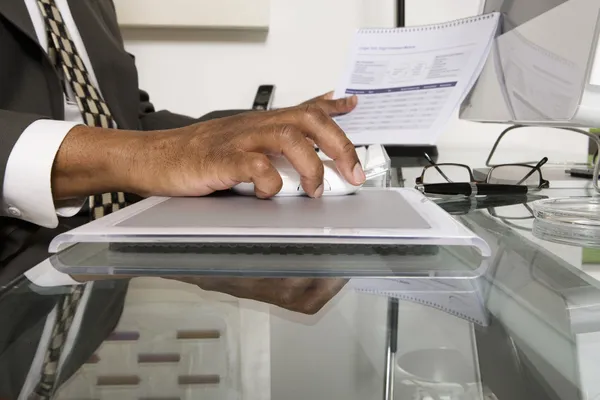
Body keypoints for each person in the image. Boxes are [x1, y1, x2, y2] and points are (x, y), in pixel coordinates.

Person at [0, 0, 365, 273]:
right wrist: (147, 156)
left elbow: (127, 122)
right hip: (21, 266)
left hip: (108, 274)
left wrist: (259, 129)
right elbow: (141, 149)